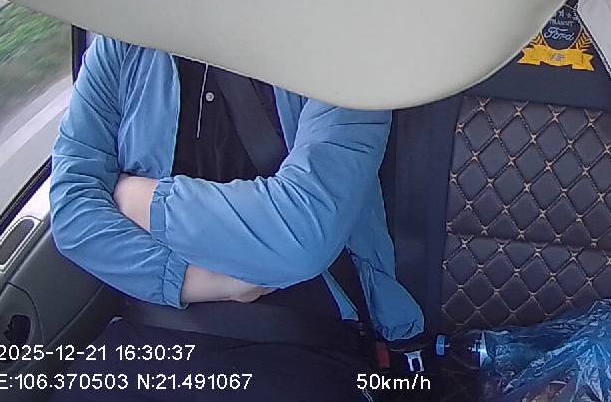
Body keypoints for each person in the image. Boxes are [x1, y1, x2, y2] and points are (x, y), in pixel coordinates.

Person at [49, 40, 422, 400]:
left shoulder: (343, 47)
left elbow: (302, 237)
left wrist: (138, 198)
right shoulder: (123, 42)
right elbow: (71, 212)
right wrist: (208, 282)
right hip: (146, 333)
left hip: (303, 339)